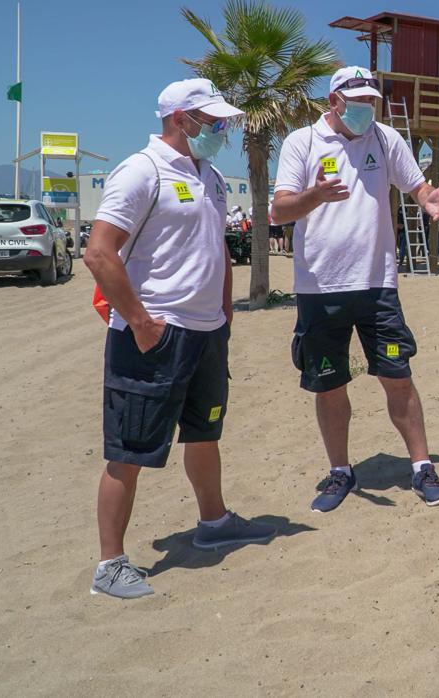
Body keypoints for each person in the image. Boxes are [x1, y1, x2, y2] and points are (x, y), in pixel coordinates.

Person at [84, 78, 275, 599]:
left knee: (205, 433)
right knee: (129, 449)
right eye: (212, 121)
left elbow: (215, 251)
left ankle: (213, 523)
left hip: (207, 332)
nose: (222, 129)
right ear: (179, 118)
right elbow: (99, 253)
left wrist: (225, 318)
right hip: (155, 332)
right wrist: (142, 323)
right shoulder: (141, 170)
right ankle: (110, 564)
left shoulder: (208, 174)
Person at [270, 66, 439, 513]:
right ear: (334, 101)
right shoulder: (303, 142)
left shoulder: (386, 138)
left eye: (371, 100)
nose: (366, 108)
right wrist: (314, 196)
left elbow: (417, 185)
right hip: (319, 288)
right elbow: (279, 210)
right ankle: (340, 472)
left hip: (377, 285)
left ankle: (422, 467)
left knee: (398, 377)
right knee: (329, 384)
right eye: (358, 101)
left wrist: (428, 198)